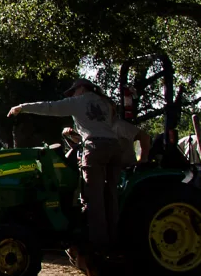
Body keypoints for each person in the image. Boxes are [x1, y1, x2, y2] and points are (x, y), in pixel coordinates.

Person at [8, 79, 124, 247]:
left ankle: (99, 244)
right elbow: (104, 126)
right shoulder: (107, 103)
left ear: (81, 89)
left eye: (73, 91)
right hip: (114, 147)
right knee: (112, 196)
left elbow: (49, 107)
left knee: (94, 198)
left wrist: (22, 107)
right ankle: (115, 238)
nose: (72, 95)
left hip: (95, 149)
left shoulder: (79, 101)